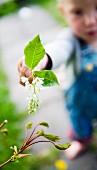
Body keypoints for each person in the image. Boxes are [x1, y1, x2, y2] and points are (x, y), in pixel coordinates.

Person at [18, 0, 97, 159]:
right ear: (63, 12)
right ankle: (81, 141)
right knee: (80, 123)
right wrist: (42, 58)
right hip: (81, 102)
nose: (90, 21)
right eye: (78, 12)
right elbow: (59, 48)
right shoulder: (71, 39)